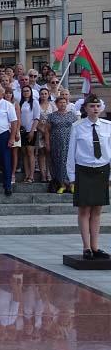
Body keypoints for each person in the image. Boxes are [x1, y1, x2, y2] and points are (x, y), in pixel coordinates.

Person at [67, 95, 111, 260]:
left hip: (101, 170)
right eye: (91, 106)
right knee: (84, 209)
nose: (95, 109)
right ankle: (86, 247)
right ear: (85, 109)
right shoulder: (77, 127)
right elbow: (71, 152)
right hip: (84, 170)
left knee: (97, 210)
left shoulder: (107, 126)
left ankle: (95, 246)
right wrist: (71, 175)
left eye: (97, 106)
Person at [45, 96, 78, 194]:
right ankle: (62, 184)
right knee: (58, 163)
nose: (62, 104)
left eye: (64, 102)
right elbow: (47, 131)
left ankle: (71, 184)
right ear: (56, 104)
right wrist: (47, 143)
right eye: (60, 102)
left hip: (69, 143)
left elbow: (77, 129)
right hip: (56, 143)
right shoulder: (52, 116)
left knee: (69, 162)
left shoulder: (72, 115)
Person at [19, 86, 41, 183]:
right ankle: (27, 174)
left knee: (30, 152)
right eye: (24, 91)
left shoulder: (34, 102)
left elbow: (37, 118)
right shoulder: (20, 103)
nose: (26, 92)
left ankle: (31, 176)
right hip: (22, 131)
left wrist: (32, 131)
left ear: (31, 92)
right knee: (24, 153)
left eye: (27, 91)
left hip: (31, 130)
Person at [36, 88, 54, 184]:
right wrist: (41, 130)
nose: (43, 95)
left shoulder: (52, 105)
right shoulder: (37, 105)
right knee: (41, 153)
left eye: (45, 93)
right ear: (39, 95)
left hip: (50, 131)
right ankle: (42, 174)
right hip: (40, 131)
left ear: (48, 94)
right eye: (42, 94)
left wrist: (48, 130)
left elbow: (55, 117)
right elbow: (34, 119)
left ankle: (49, 174)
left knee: (49, 153)